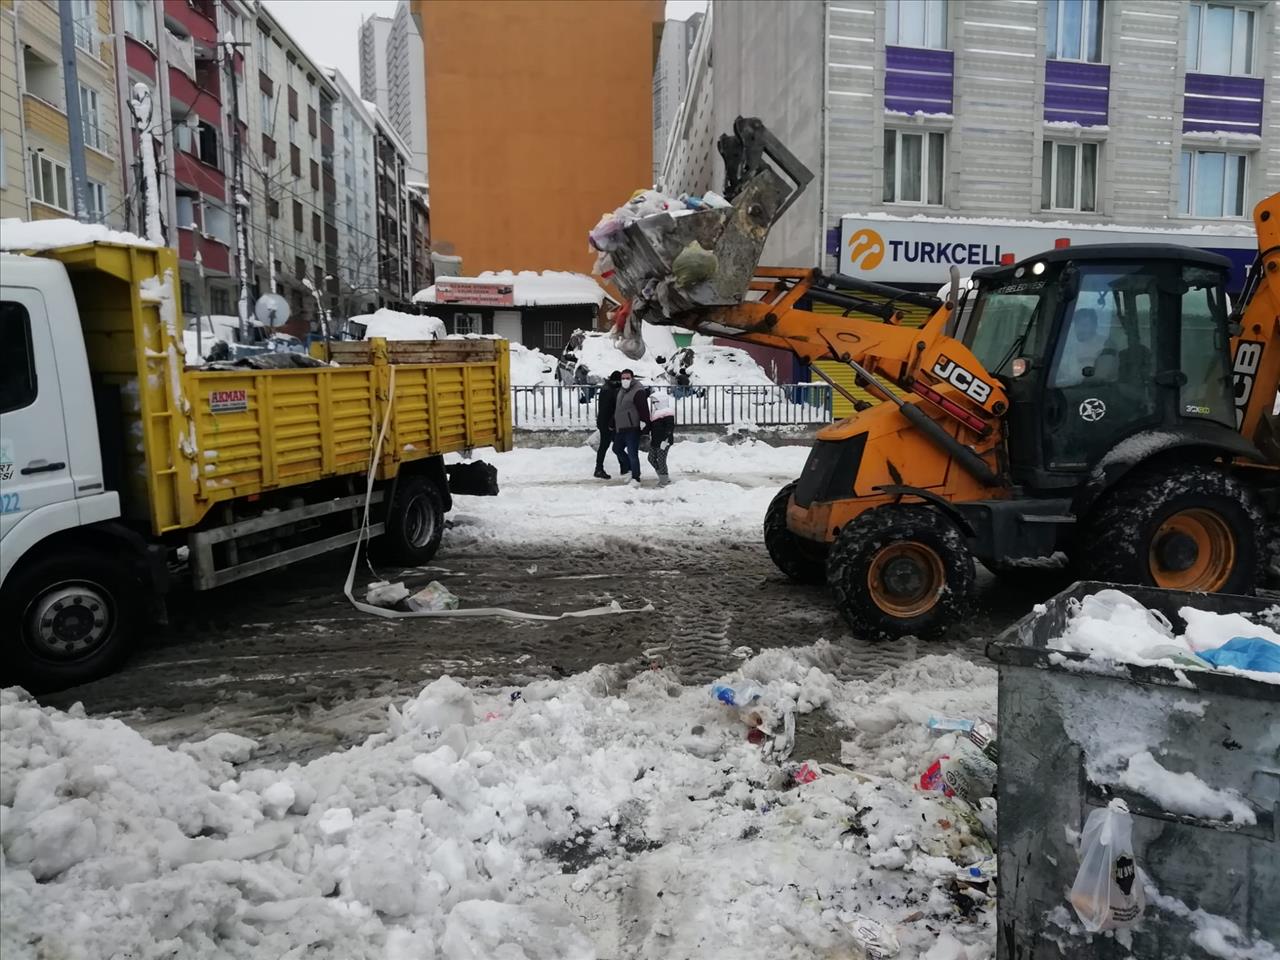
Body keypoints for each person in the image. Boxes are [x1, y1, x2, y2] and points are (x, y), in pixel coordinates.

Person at [612, 369, 649, 483]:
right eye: (623, 378)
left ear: (632, 378)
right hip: (621, 427)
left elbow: (643, 409)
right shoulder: (622, 391)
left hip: (632, 428)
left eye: (627, 378)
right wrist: (613, 421)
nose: (625, 380)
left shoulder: (638, 390)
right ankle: (630, 470)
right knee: (616, 449)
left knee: (633, 453)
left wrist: (645, 424)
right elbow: (619, 408)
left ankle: (636, 477)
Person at [594, 371, 624, 479]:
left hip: (607, 422)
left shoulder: (607, 388)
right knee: (606, 446)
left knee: (615, 445)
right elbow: (608, 409)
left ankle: (623, 467)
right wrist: (610, 423)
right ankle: (599, 469)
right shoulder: (609, 390)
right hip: (608, 423)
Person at [645, 388, 676, 485]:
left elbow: (670, 428)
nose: (654, 404)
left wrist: (666, 440)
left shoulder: (668, 413)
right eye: (653, 402)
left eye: (656, 402)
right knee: (651, 458)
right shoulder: (655, 413)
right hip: (655, 441)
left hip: (664, 441)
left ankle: (664, 480)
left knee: (661, 460)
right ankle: (662, 475)